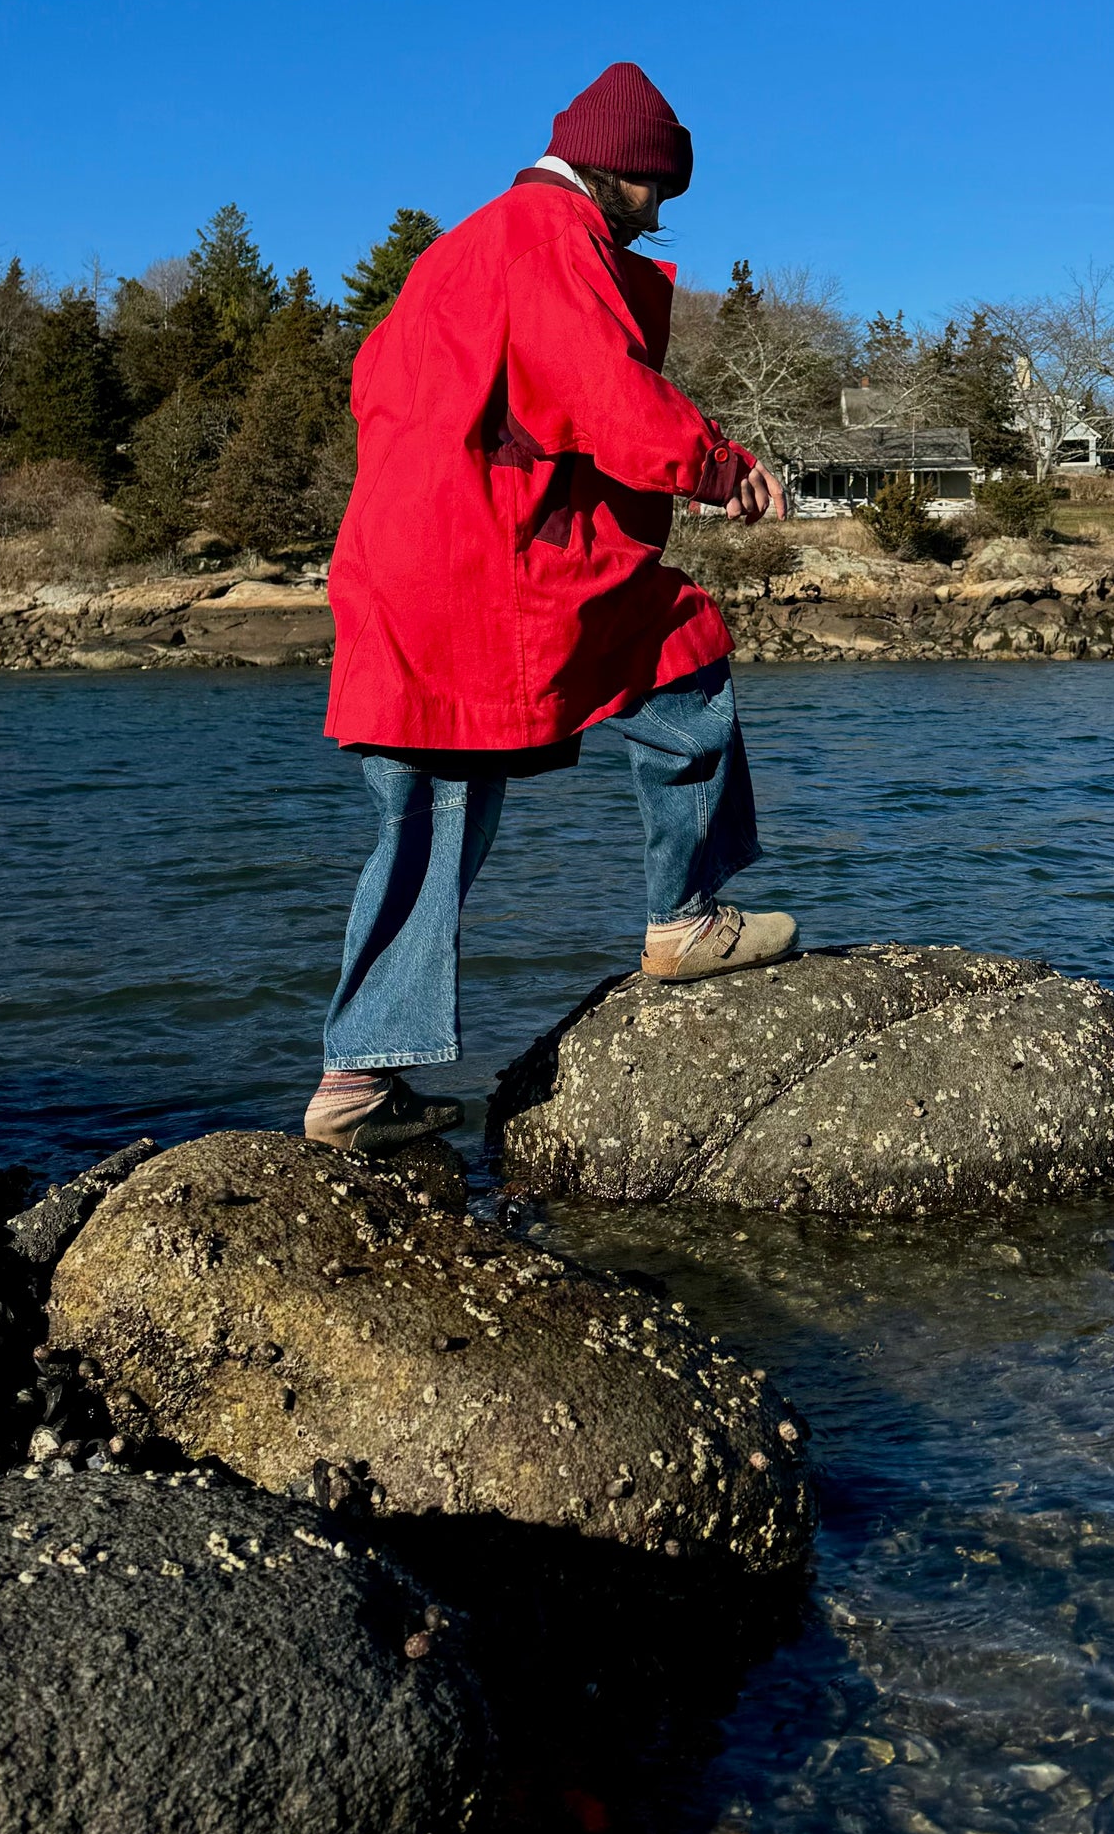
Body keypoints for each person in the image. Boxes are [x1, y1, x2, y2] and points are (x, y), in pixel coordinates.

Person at [306, 60, 800, 1155]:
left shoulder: (458, 249)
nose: (656, 215)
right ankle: (683, 918)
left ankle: (355, 1081)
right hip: (492, 564)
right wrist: (719, 466)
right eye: (655, 190)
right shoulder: (550, 238)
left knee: (425, 815)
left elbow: (380, 389)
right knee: (680, 652)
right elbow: (605, 392)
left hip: (403, 566)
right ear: (615, 169)